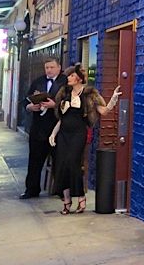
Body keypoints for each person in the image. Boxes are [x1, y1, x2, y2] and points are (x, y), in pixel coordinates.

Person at [49, 63, 121, 214]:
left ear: (80, 78)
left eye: (72, 75)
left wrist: (113, 99)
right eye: (68, 75)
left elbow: (104, 111)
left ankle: (81, 197)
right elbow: (61, 119)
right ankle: (67, 201)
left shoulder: (89, 94)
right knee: (61, 164)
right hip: (63, 133)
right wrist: (53, 134)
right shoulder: (64, 93)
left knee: (73, 163)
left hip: (78, 133)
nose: (69, 78)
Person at [20, 57, 67, 199]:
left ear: (59, 67)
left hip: (57, 128)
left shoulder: (65, 82)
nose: (49, 70)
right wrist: (30, 107)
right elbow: (25, 100)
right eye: (47, 67)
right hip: (38, 128)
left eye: (52, 67)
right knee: (34, 161)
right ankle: (31, 190)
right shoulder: (38, 81)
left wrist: (55, 105)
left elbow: (71, 103)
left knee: (60, 160)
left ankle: (61, 190)